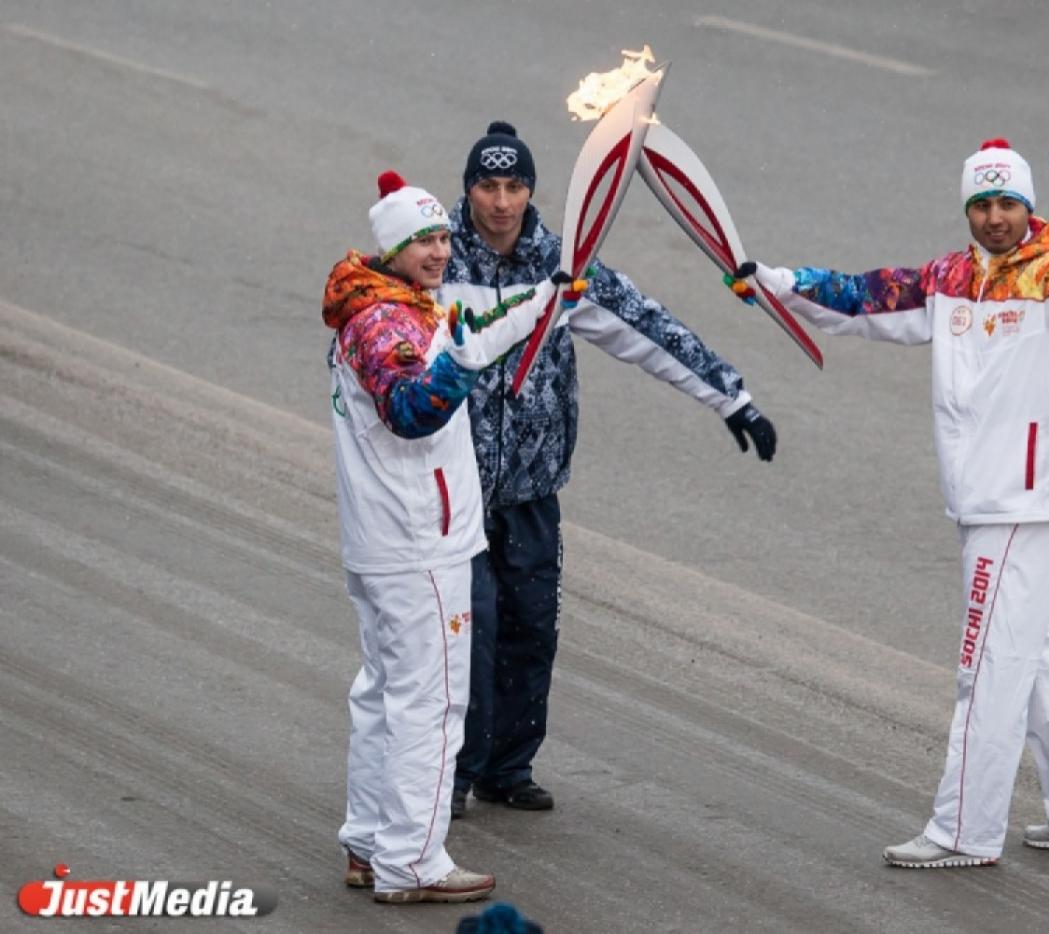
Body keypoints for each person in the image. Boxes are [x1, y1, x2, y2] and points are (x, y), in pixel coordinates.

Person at [747, 126, 1049, 867]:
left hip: (1019, 505)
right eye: (983, 203)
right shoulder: (948, 280)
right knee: (1040, 655)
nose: (996, 216)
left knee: (983, 665)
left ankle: (965, 830)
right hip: (983, 502)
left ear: (1027, 205)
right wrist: (775, 280)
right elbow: (860, 298)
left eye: (1009, 202)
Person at [441, 121, 778, 815]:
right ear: (468, 188)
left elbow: (649, 329)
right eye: (487, 185)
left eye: (514, 186)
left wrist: (731, 398)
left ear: (531, 190)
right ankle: (452, 776)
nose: (500, 202)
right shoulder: (436, 262)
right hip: (454, 495)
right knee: (465, 639)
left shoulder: (564, 268)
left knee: (531, 630)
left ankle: (508, 767)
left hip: (533, 490)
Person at [324, 170, 556, 901]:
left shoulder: (390, 304)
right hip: (419, 542)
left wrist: (550, 297)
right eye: (422, 239)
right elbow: (412, 408)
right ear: (391, 245)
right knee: (431, 703)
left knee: (385, 695)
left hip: (388, 539)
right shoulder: (385, 323)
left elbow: (475, 335)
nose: (438, 249)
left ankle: (370, 844)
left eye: (442, 235)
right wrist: (454, 364)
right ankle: (411, 863)